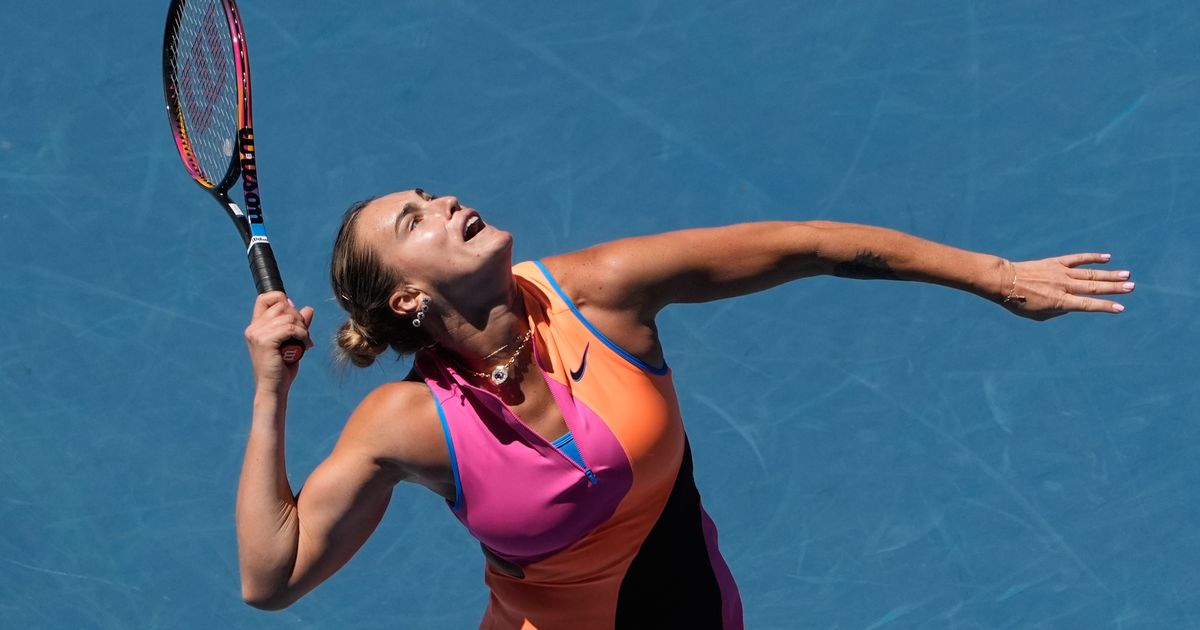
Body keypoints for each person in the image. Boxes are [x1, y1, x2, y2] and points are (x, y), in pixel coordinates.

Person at [236, 188, 1133, 629]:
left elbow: (810, 244)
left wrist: (996, 276)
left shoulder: (603, 293)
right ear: (404, 300)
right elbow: (269, 578)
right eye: (415, 222)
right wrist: (271, 392)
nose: (446, 204)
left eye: (431, 194)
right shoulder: (408, 425)